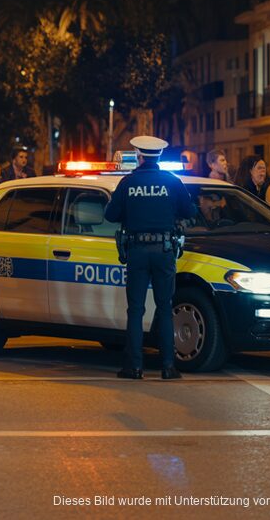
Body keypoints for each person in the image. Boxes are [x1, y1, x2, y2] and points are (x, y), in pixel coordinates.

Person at [103, 136, 195, 380]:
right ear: (159, 156)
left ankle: (134, 367)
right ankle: (168, 367)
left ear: (139, 156)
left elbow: (110, 215)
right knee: (165, 308)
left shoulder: (129, 182)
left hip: (137, 251)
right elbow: (190, 211)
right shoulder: (172, 181)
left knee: (136, 310)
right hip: (164, 250)